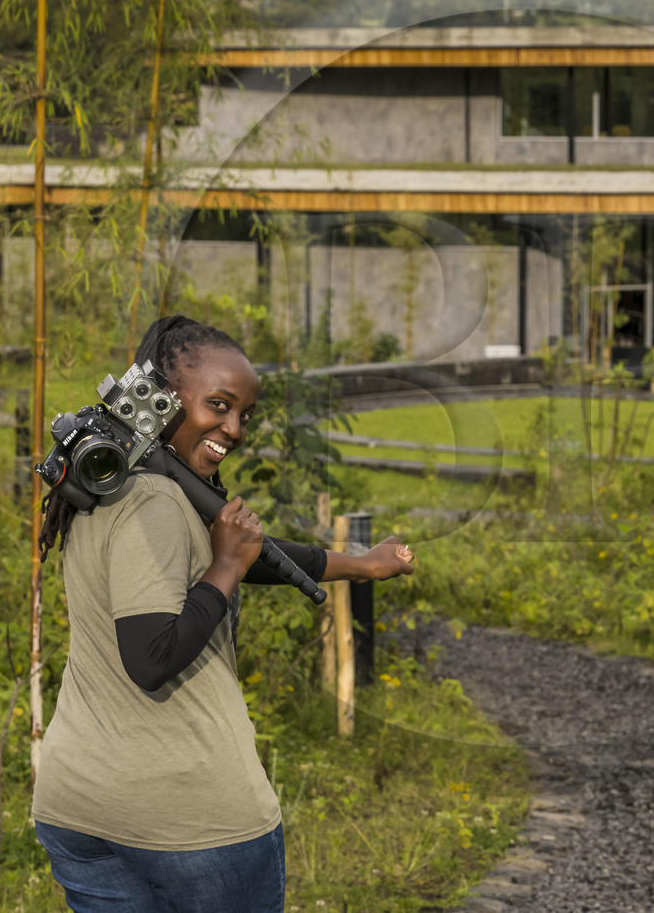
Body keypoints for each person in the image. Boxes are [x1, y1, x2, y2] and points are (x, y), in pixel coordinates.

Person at [31, 316, 415, 912]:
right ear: (160, 397)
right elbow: (151, 658)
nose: (233, 429)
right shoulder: (152, 500)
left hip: (82, 805)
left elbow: (250, 554)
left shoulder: (110, 481)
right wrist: (225, 569)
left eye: (244, 415)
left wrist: (360, 566)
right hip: (189, 821)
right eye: (218, 405)